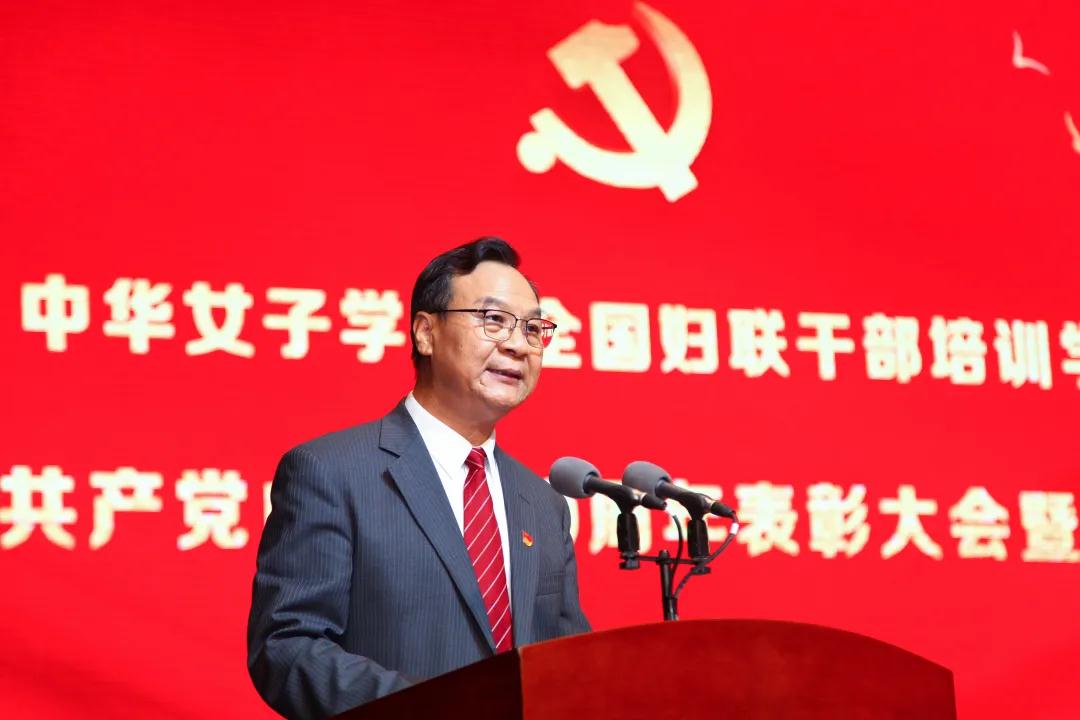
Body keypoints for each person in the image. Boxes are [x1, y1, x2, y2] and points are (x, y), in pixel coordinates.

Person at [247, 237, 591, 719]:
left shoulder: (543, 503)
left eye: (533, 328)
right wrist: (433, 708)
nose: (518, 345)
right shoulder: (332, 472)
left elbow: (569, 663)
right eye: (494, 320)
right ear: (426, 333)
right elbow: (288, 649)